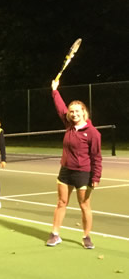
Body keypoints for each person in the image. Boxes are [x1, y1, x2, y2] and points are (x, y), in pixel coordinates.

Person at [46, 79, 102, 249]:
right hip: (65, 171)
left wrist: (96, 176)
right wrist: (55, 91)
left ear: (84, 112)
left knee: (84, 205)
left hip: (83, 173)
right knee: (61, 203)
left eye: (77, 111)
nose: (74, 114)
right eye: (71, 112)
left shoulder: (93, 133)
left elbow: (96, 157)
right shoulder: (68, 125)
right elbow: (60, 107)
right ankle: (55, 234)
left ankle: (86, 236)